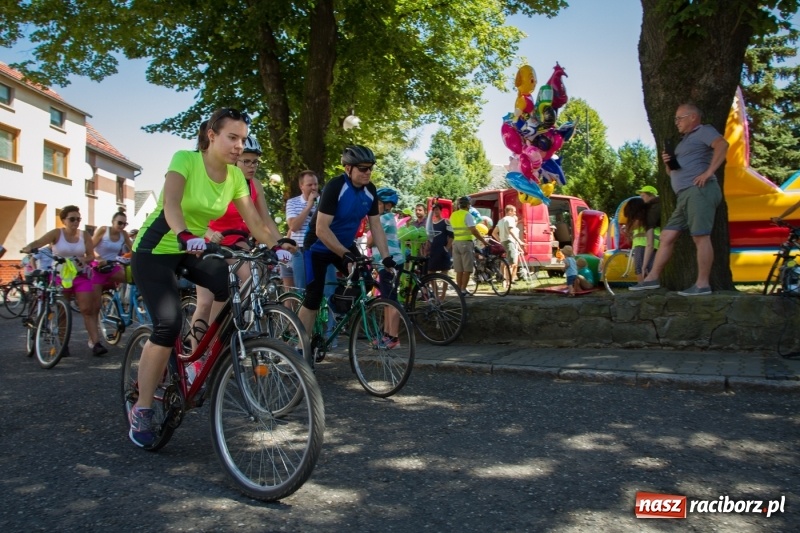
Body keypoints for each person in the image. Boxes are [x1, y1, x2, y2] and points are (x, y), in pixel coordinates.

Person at [127, 108, 288, 448]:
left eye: (242, 139)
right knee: (166, 325)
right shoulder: (186, 159)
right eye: (232, 137)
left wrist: (279, 244)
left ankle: (194, 355)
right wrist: (184, 232)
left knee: (228, 288)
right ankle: (142, 408)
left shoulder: (233, 177)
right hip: (156, 250)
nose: (238, 146)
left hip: (192, 249)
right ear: (212, 135)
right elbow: (171, 203)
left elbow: (256, 223)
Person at [188, 135, 288, 350]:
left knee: (250, 281)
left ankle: (227, 335)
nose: (252, 166)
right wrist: (208, 232)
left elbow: (264, 220)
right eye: (247, 161)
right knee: (205, 302)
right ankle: (197, 353)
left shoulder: (255, 185)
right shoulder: (218, 180)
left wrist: (280, 243)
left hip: (237, 243)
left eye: (255, 162)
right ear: (235, 160)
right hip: (209, 244)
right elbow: (195, 213)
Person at [297, 145, 395, 340]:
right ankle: (300, 345)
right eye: (363, 168)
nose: (368, 172)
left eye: (370, 168)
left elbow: (376, 226)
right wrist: (345, 253)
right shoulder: (335, 187)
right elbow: (321, 228)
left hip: (343, 244)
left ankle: (337, 305)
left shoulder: (370, 190)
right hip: (317, 245)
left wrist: (387, 259)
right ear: (348, 168)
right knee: (313, 297)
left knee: (366, 280)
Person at [630, 103, 728, 296]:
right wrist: (669, 163)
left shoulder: (704, 131)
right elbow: (672, 172)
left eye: (679, 118)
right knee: (666, 236)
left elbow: (723, 145)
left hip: (699, 191)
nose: (676, 123)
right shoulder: (684, 142)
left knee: (700, 236)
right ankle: (651, 279)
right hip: (684, 195)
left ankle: (702, 285)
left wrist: (708, 172)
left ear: (693, 117)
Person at [22, 205, 108, 356]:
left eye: (78, 219)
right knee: (62, 309)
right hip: (60, 276)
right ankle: (63, 344)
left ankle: (95, 343)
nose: (76, 222)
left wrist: (84, 259)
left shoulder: (84, 236)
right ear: (63, 220)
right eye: (72, 219)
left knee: (88, 309)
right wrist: (28, 248)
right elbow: (39, 242)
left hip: (80, 275)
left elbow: (91, 256)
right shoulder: (57, 233)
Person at [366, 187, 406, 348]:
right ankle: (387, 335)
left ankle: (393, 338)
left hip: (390, 263)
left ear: (385, 204)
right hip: (384, 263)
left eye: (378, 203)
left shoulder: (385, 218)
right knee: (387, 299)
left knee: (391, 300)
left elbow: (371, 241)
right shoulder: (387, 217)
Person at [284, 170, 320, 289]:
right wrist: (309, 205)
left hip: (319, 249)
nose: (314, 188)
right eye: (310, 185)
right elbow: (294, 226)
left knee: (324, 288)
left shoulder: (323, 202)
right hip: (300, 249)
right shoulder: (292, 203)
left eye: (315, 184)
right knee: (302, 289)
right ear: (301, 186)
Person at [450, 196, 489, 295]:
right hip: (466, 243)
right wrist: (483, 241)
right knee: (467, 269)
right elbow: (473, 230)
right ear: (468, 205)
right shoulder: (467, 215)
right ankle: (463, 290)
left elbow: (451, 230)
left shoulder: (453, 215)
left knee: (459, 270)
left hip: (456, 243)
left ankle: (459, 289)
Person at [92, 210, 133, 286]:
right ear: (113, 222)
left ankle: (120, 296)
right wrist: (99, 258)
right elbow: (89, 248)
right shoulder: (104, 230)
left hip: (112, 265)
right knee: (95, 298)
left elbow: (133, 249)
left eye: (125, 224)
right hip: (97, 266)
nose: (122, 226)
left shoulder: (124, 234)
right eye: (120, 223)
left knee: (131, 279)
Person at [623, 197, 657, 284]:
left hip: (642, 245)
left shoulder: (639, 220)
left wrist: (626, 229)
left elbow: (632, 227)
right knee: (648, 268)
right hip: (653, 245)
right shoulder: (648, 217)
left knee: (639, 269)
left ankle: (641, 286)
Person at [492, 205, 524, 283]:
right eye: (514, 211)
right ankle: (508, 282)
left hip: (503, 242)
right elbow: (511, 231)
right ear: (509, 211)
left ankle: (505, 280)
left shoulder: (501, 220)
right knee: (511, 263)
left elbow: (494, 233)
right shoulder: (510, 219)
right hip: (510, 242)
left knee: (505, 262)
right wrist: (519, 241)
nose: (515, 213)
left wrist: (500, 240)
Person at [637, 185, 661, 278]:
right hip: (657, 243)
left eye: (643, 196)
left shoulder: (652, 210)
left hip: (654, 244)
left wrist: (644, 266)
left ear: (651, 195)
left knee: (649, 268)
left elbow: (650, 244)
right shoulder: (658, 205)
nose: (641, 198)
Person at [425, 203, 453, 274]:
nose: (435, 212)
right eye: (434, 210)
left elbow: (452, 236)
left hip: (442, 250)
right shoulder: (431, 224)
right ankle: (434, 286)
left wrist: (446, 248)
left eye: (437, 210)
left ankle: (444, 285)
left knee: (444, 271)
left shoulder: (446, 221)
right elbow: (429, 237)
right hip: (433, 250)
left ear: (441, 210)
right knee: (430, 271)